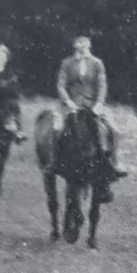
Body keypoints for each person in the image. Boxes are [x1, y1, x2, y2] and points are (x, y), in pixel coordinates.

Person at [55, 35, 125, 181]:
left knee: (115, 130)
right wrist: (68, 102)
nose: (81, 51)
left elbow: (102, 85)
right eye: (78, 48)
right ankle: (56, 161)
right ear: (74, 48)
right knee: (57, 128)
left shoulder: (97, 63)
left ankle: (114, 162)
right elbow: (61, 85)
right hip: (71, 103)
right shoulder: (67, 63)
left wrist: (99, 104)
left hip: (93, 104)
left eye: (84, 48)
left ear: (89, 48)